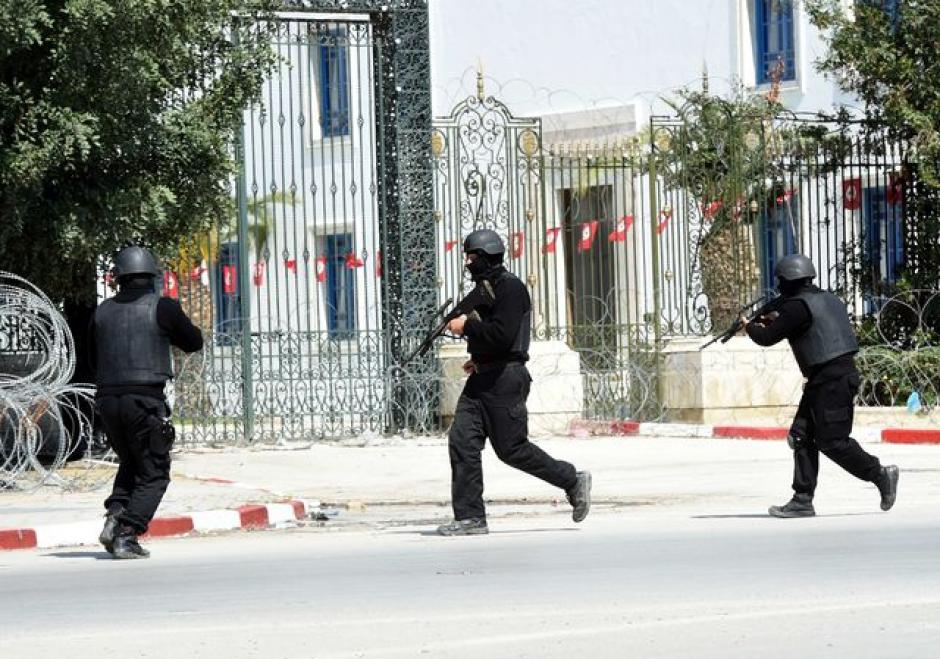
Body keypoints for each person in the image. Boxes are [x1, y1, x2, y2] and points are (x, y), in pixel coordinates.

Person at [436, 229, 591, 536]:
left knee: (512, 450)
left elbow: (503, 335)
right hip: (483, 377)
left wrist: (466, 326)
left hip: (506, 380)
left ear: (486, 257)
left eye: (472, 257)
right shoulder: (485, 288)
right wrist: (478, 356)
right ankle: (470, 517)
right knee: (461, 441)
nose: (467, 263)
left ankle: (572, 480)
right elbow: (490, 335)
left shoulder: (511, 289)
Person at [742, 253, 898, 518]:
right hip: (826, 379)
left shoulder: (796, 307)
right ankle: (802, 500)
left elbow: (767, 337)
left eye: (781, 281)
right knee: (801, 436)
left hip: (832, 382)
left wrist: (750, 327)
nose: (779, 287)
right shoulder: (827, 299)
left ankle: (881, 474)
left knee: (833, 442)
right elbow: (804, 327)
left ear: (787, 280)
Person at [90, 246, 203, 558]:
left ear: (118, 278)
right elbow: (194, 341)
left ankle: (114, 518)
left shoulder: (102, 311)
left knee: (131, 461)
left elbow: (91, 356)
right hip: (144, 400)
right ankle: (128, 532)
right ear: (152, 276)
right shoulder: (162, 307)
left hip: (108, 401)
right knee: (154, 472)